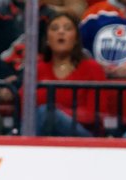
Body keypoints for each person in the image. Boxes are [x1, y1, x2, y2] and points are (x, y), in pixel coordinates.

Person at [37, 8, 107, 136]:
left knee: (47, 113)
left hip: (83, 135)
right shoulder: (36, 69)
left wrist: (57, 113)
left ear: (76, 39)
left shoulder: (92, 68)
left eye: (67, 28)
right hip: (41, 132)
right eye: (54, 29)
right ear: (47, 39)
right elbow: (25, 110)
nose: (61, 32)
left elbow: (95, 114)